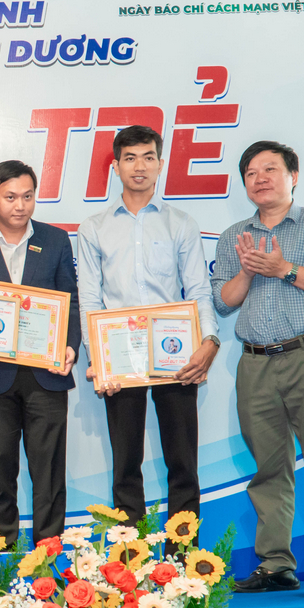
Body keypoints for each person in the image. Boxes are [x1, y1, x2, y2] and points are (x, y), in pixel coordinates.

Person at [212, 140, 304, 598]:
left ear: (293, 176)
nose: (260, 179)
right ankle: (275, 564)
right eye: (251, 173)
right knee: (269, 468)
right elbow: (223, 301)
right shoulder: (234, 235)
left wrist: (284, 268)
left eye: (270, 169)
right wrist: (250, 271)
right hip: (255, 362)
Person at [77, 125, 220, 527]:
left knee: (183, 462)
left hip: (175, 354)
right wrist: (98, 359)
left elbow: (198, 289)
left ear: (161, 164)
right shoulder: (94, 227)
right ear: (116, 166)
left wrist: (209, 340)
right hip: (119, 358)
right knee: (126, 465)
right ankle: (129, 556)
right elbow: (89, 300)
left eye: (148, 157)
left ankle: (183, 557)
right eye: (130, 158)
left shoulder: (181, 223)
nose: (139, 166)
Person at [0, 160, 79, 547]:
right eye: (10, 197)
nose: (20, 205)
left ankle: (49, 554)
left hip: (46, 373)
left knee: (49, 473)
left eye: (27, 196)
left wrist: (70, 345)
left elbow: (71, 301)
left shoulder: (56, 240)